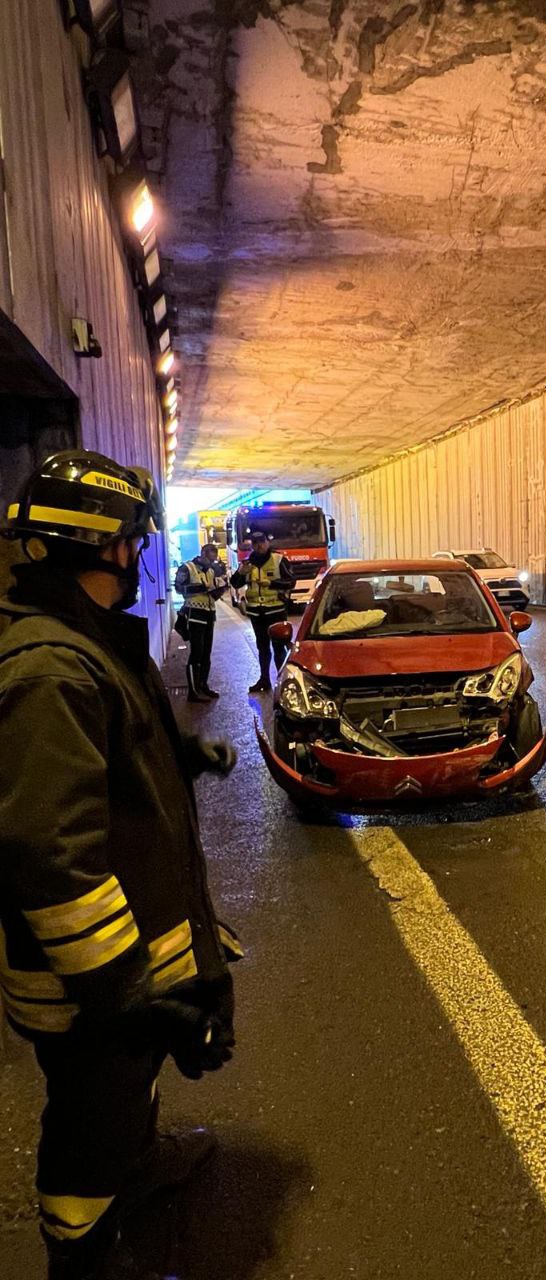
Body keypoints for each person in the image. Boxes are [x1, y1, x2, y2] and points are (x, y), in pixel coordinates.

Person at [0, 450, 243, 1280]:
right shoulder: (51, 667)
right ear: (112, 547)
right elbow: (52, 857)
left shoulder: (87, 640)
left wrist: (180, 753)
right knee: (89, 1117)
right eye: (137, 537)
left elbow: (112, 744)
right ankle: (82, 1247)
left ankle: (135, 1173)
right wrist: (126, 992)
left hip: (117, 967)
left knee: (125, 1087)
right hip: (87, 980)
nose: (142, 551)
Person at [230, 529, 293, 693]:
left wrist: (271, 584)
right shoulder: (247, 563)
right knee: (262, 647)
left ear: (268, 542)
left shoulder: (279, 560)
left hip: (276, 611)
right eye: (256, 543)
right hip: (257, 613)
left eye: (262, 542)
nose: (259, 546)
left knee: (279, 648)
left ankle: (282, 681)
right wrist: (239, 573)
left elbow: (291, 582)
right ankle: (264, 680)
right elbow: (235, 584)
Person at [174, 541, 227, 702]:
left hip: (209, 613)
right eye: (210, 559)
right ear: (203, 554)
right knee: (196, 653)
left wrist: (220, 588)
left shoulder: (210, 570)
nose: (212, 563)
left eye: (214, 560)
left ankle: (204, 685)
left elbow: (215, 593)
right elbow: (178, 588)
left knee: (206, 654)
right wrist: (203, 588)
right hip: (194, 613)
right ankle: (193, 691)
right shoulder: (187, 568)